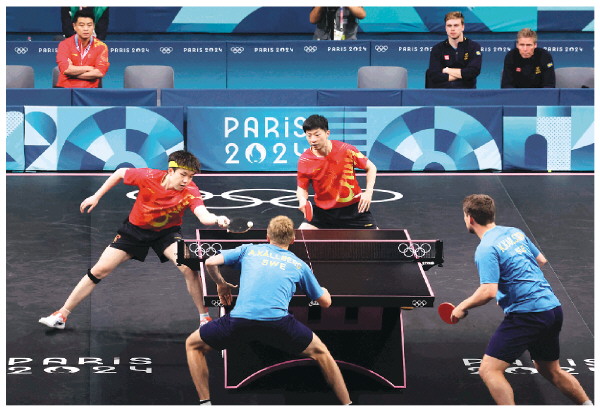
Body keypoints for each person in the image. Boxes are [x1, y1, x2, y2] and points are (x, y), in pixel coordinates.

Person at [39, 150, 230, 330]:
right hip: (134, 232)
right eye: (183, 174)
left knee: (189, 268)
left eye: (191, 176)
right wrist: (96, 196)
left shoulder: (190, 191)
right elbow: (120, 173)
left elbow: (203, 216)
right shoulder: (148, 176)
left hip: (166, 234)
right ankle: (61, 315)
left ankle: (204, 318)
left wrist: (217, 219)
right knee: (99, 270)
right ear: (170, 171)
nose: (187, 180)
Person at [185, 216, 352, 405]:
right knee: (321, 352)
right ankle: (348, 404)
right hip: (279, 324)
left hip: (240, 321)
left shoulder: (249, 250)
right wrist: (324, 291)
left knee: (193, 344)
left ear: (267, 236)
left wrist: (221, 284)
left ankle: (205, 403)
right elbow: (325, 303)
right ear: (293, 239)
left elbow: (210, 262)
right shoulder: (300, 265)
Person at [452, 194, 592, 405]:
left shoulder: (486, 248)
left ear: (470, 218)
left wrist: (461, 307)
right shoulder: (514, 232)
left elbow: (488, 291)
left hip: (528, 315)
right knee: (550, 370)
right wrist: (511, 289)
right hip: (552, 309)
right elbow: (540, 260)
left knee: (489, 370)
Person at [296, 114, 377, 229]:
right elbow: (302, 188)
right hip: (324, 213)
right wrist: (302, 200)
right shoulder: (305, 160)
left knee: (376, 239)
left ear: (327, 133)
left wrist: (368, 193)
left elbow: (371, 167)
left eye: (317, 135)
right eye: (309, 135)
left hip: (354, 210)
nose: (313, 140)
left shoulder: (346, 150)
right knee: (301, 236)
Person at [426, 11, 482, 89]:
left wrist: (447, 70)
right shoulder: (437, 48)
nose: (452, 29)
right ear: (445, 28)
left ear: (462, 27)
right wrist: (462, 75)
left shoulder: (473, 46)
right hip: (442, 92)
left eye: (456, 25)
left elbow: (472, 72)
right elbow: (434, 75)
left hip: (466, 93)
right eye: (449, 26)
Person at [55, 9, 109, 88]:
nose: (86, 29)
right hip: (65, 89)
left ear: (94, 26)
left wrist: (72, 74)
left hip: (90, 90)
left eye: (89, 25)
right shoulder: (64, 45)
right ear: (74, 26)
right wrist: (89, 68)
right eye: (81, 25)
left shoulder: (101, 46)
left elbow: (99, 72)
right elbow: (66, 69)